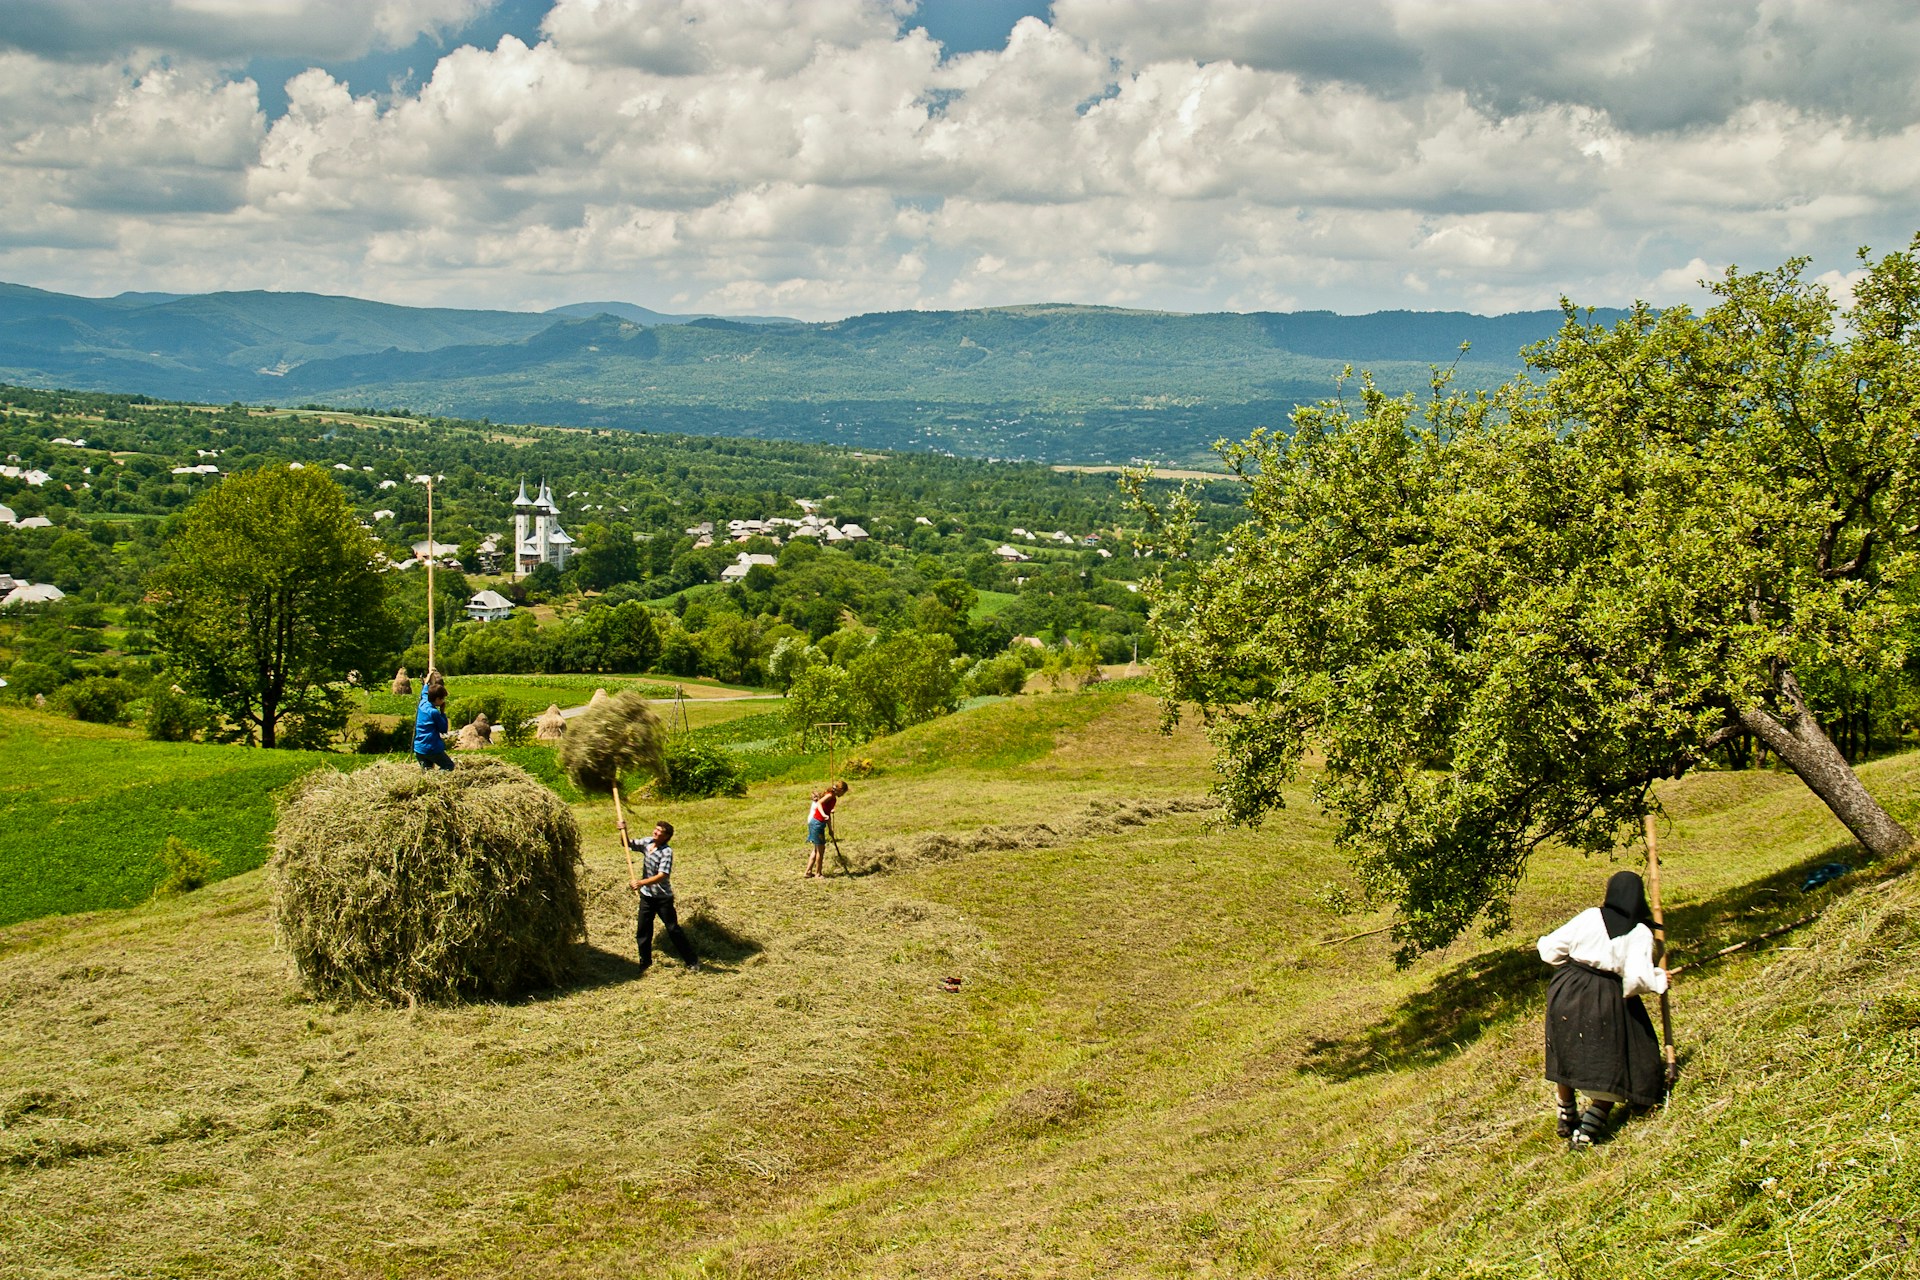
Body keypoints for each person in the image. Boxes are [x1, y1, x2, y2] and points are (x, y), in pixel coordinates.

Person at [1538, 870, 1671, 1147]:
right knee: (1616, 1056)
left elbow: (1550, 950)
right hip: (1607, 996)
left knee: (1566, 1048)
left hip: (1567, 989)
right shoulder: (1640, 932)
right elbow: (1636, 979)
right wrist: (1659, 978)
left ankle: (1566, 1110)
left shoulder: (1589, 917)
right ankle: (1589, 1127)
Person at [629, 820, 699, 972]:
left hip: (662, 898)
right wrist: (623, 830)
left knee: (673, 929)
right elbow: (627, 843)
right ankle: (645, 962)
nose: (656, 832)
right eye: (656, 829)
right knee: (643, 930)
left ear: (666, 836)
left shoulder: (667, 852)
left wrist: (641, 882)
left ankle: (692, 961)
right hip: (647, 897)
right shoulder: (647, 842)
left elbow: (662, 875)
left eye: (660, 831)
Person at [802, 780, 849, 878]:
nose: (843, 795)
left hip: (819, 823)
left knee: (816, 849)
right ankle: (818, 874)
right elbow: (819, 803)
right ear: (840, 790)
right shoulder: (830, 795)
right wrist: (823, 815)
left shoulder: (833, 798)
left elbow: (828, 814)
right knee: (821, 850)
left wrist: (830, 829)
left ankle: (808, 872)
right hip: (817, 823)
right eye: (843, 792)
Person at [413, 677, 452, 770]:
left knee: (427, 771)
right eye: (443, 699)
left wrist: (428, 680)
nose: (443, 701)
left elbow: (424, 691)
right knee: (448, 766)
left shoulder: (423, 703)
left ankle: (429, 783)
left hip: (419, 747)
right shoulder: (433, 712)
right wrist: (442, 712)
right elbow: (443, 729)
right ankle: (438, 778)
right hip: (431, 748)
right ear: (438, 699)